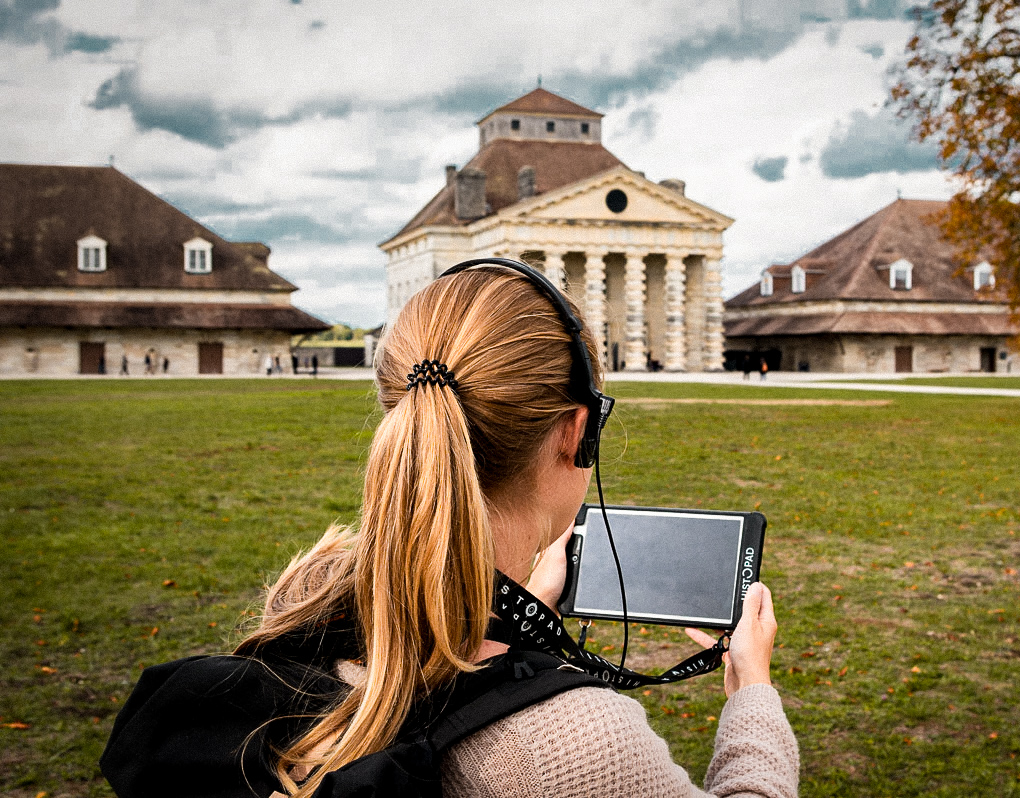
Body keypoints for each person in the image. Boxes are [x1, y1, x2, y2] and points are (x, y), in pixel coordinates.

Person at [103, 263, 797, 797]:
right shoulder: (574, 746)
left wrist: (523, 623)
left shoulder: (307, 603)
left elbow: (431, 672)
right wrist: (751, 695)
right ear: (577, 432)